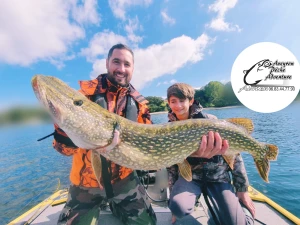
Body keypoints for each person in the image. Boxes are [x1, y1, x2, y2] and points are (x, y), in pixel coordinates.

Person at [52, 44, 228, 225]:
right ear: (107, 63)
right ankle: (106, 204)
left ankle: (115, 204)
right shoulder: (83, 96)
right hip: (85, 183)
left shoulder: (140, 104)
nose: (121, 69)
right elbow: (63, 150)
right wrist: (62, 126)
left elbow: (152, 152)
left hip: (124, 181)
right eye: (116, 62)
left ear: (132, 68)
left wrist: (193, 153)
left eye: (126, 64)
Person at [166, 83, 255, 225]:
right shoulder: (168, 130)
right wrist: (173, 204)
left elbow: (235, 156)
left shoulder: (210, 121)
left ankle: (239, 211)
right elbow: (171, 167)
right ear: (169, 103)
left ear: (191, 101)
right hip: (190, 179)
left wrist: (242, 189)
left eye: (182, 101)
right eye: (173, 101)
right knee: (177, 206)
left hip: (218, 177)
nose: (178, 106)